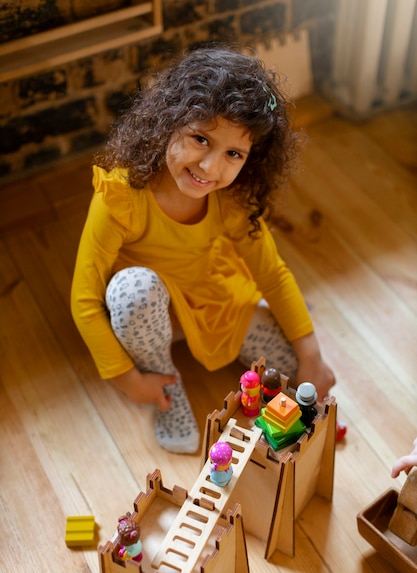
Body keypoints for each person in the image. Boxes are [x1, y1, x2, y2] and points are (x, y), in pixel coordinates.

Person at [71, 45, 336, 455]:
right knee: (133, 291)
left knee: (300, 381)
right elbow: (84, 301)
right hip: (147, 313)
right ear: (168, 121)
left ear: (250, 160)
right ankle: (166, 385)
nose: (210, 168)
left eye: (233, 154)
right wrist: (130, 381)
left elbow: (272, 274)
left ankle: (283, 370)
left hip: (212, 300)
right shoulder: (120, 196)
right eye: (200, 139)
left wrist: (312, 356)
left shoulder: (231, 200)